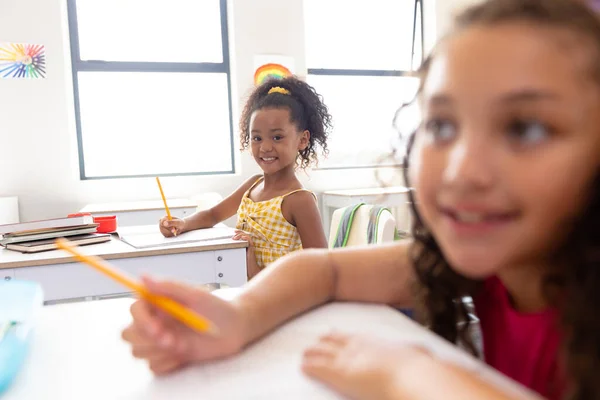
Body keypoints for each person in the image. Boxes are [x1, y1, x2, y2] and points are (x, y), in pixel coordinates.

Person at [125, 0, 600, 398]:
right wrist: (236, 316)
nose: (462, 170)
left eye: (526, 128)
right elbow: (326, 270)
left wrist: (411, 374)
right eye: (442, 126)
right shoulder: (486, 265)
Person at [159, 77, 331, 278]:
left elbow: (321, 270)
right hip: (246, 291)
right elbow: (213, 215)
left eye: (277, 137)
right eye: (257, 138)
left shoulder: (299, 200)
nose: (265, 147)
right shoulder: (253, 185)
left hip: (276, 299)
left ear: (302, 140)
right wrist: (182, 224)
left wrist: (250, 262)